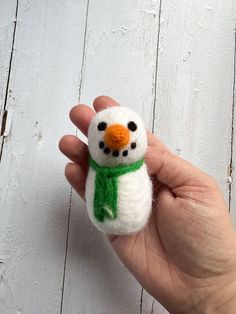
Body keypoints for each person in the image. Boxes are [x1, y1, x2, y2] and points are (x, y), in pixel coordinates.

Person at [59, 96, 236, 314]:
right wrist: (221, 293)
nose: (117, 135)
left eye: (130, 128)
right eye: (104, 128)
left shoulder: (136, 167)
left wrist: (221, 288)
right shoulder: (100, 171)